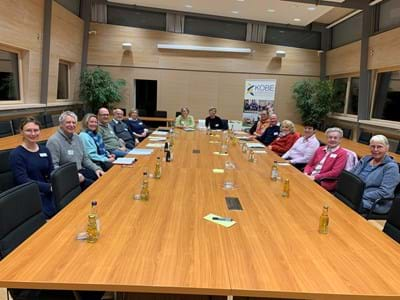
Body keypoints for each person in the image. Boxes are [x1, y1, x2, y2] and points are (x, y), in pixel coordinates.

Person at [9, 117, 57, 218]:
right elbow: (22, 180)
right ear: (21, 132)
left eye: (36, 130)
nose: (33, 134)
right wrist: (48, 187)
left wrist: (57, 185)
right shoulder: (16, 154)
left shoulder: (45, 150)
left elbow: (52, 172)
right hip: (31, 195)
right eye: (28, 130)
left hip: (48, 192)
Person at [46, 111, 104, 190]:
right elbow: (53, 166)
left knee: (103, 179)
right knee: (97, 187)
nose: (71, 125)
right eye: (68, 122)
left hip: (80, 172)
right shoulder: (54, 141)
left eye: (74, 122)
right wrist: (73, 176)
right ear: (61, 124)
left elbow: (85, 159)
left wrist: (96, 168)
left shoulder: (77, 138)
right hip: (66, 177)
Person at [351, 135, 400, 214]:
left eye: (379, 147)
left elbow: (385, 192)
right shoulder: (365, 159)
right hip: (354, 195)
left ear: (387, 148)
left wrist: (359, 195)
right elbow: (351, 174)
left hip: (372, 203)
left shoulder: (391, 167)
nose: (375, 150)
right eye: (373, 146)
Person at [304, 127, 347, 192]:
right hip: (309, 176)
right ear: (326, 138)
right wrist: (305, 173)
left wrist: (315, 177)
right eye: (330, 137)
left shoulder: (342, 153)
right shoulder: (320, 149)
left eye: (335, 138)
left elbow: (335, 173)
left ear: (340, 139)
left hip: (323, 182)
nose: (332, 139)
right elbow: (309, 164)